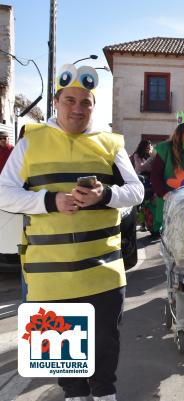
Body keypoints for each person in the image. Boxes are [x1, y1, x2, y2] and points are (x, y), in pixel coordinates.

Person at [0, 63, 144, 401]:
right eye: (70, 100)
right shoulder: (31, 141)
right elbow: (4, 191)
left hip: (103, 273)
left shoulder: (109, 144)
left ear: (94, 105)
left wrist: (104, 196)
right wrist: (51, 201)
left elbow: (136, 191)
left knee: (104, 360)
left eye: (85, 102)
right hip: (50, 275)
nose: (77, 108)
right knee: (66, 371)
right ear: (57, 101)